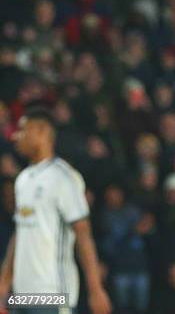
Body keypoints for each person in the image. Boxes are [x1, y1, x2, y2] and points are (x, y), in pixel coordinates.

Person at [0, 108, 112, 314]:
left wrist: (96, 289)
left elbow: (83, 234)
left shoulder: (64, 178)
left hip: (54, 293)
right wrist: (3, 285)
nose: (16, 135)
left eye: (23, 130)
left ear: (42, 132)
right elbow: (21, 233)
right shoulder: (23, 179)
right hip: (22, 294)